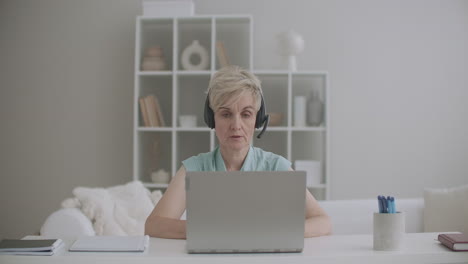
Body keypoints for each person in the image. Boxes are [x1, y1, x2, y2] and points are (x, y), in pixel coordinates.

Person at [145, 66, 332, 239]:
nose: (236, 125)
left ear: (257, 119)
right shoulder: (193, 169)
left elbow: (323, 221)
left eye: (246, 114)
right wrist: (211, 229)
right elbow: (153, 225)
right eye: (226, 114)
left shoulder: (276, 166)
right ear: (212, 119)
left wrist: (278, 230)